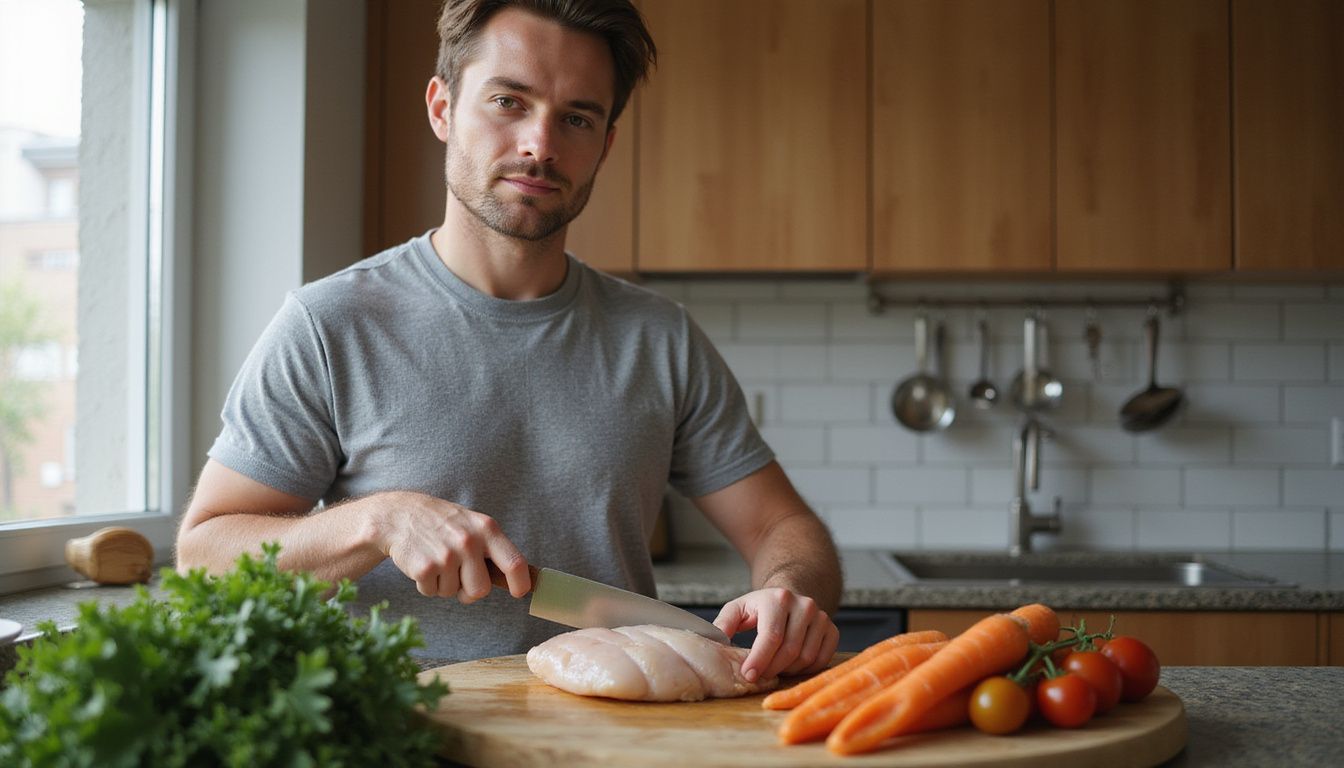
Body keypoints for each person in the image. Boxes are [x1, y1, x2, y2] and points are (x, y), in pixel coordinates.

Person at [176, 0, 841, 684]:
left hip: (610, 739)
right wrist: (376, 522)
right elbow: (205, 556)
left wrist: (790, 592)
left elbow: (780, 528)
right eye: (507, 101)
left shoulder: (659, 338)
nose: (540, 144)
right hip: (401, 735)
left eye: (577, 118)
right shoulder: (329, 326)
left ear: (605, 145)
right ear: (442, 108)